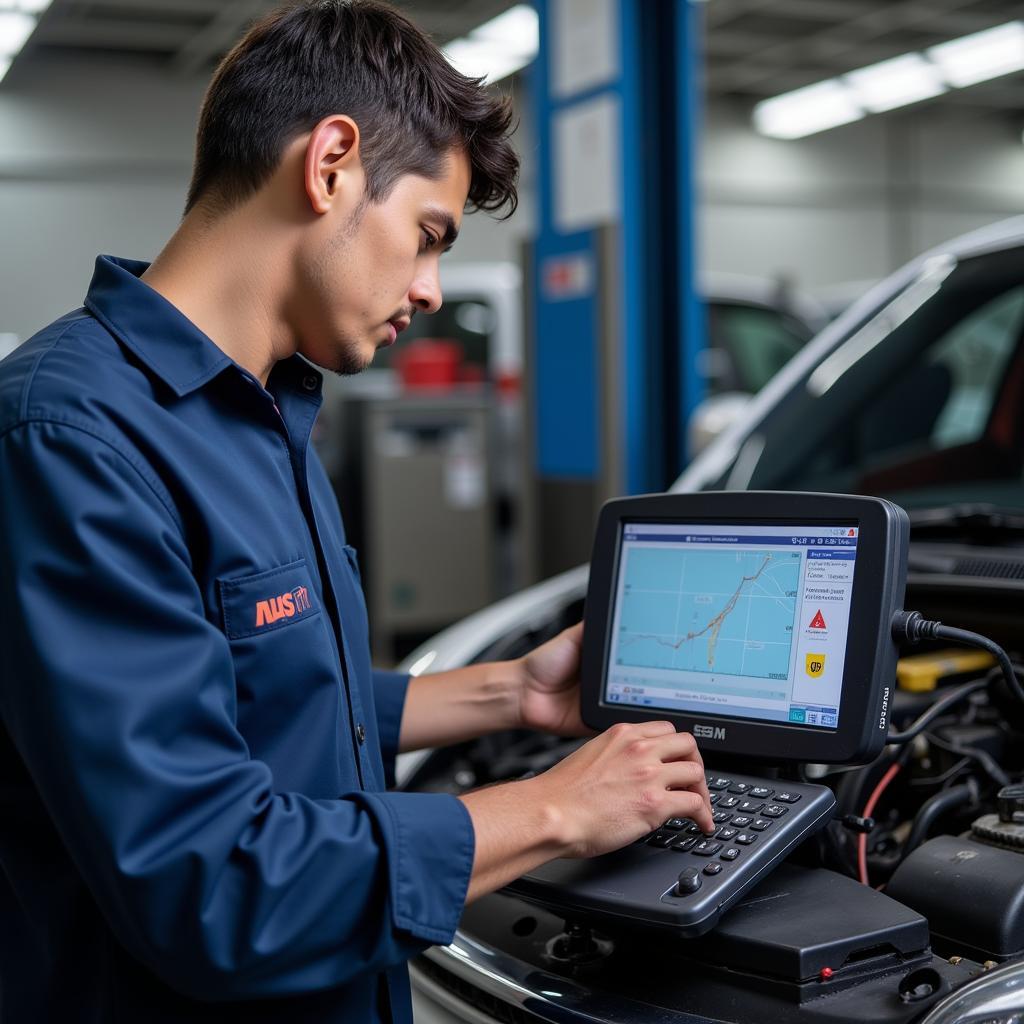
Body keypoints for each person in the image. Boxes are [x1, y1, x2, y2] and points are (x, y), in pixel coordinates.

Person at [0, 2, 713, 1021]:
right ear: (331, 162)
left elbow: (261, 694)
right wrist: (554, 805)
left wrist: (506, 691)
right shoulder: (71, 442)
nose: (430, 289)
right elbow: (208, 882)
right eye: (428, 236)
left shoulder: (259, 412)